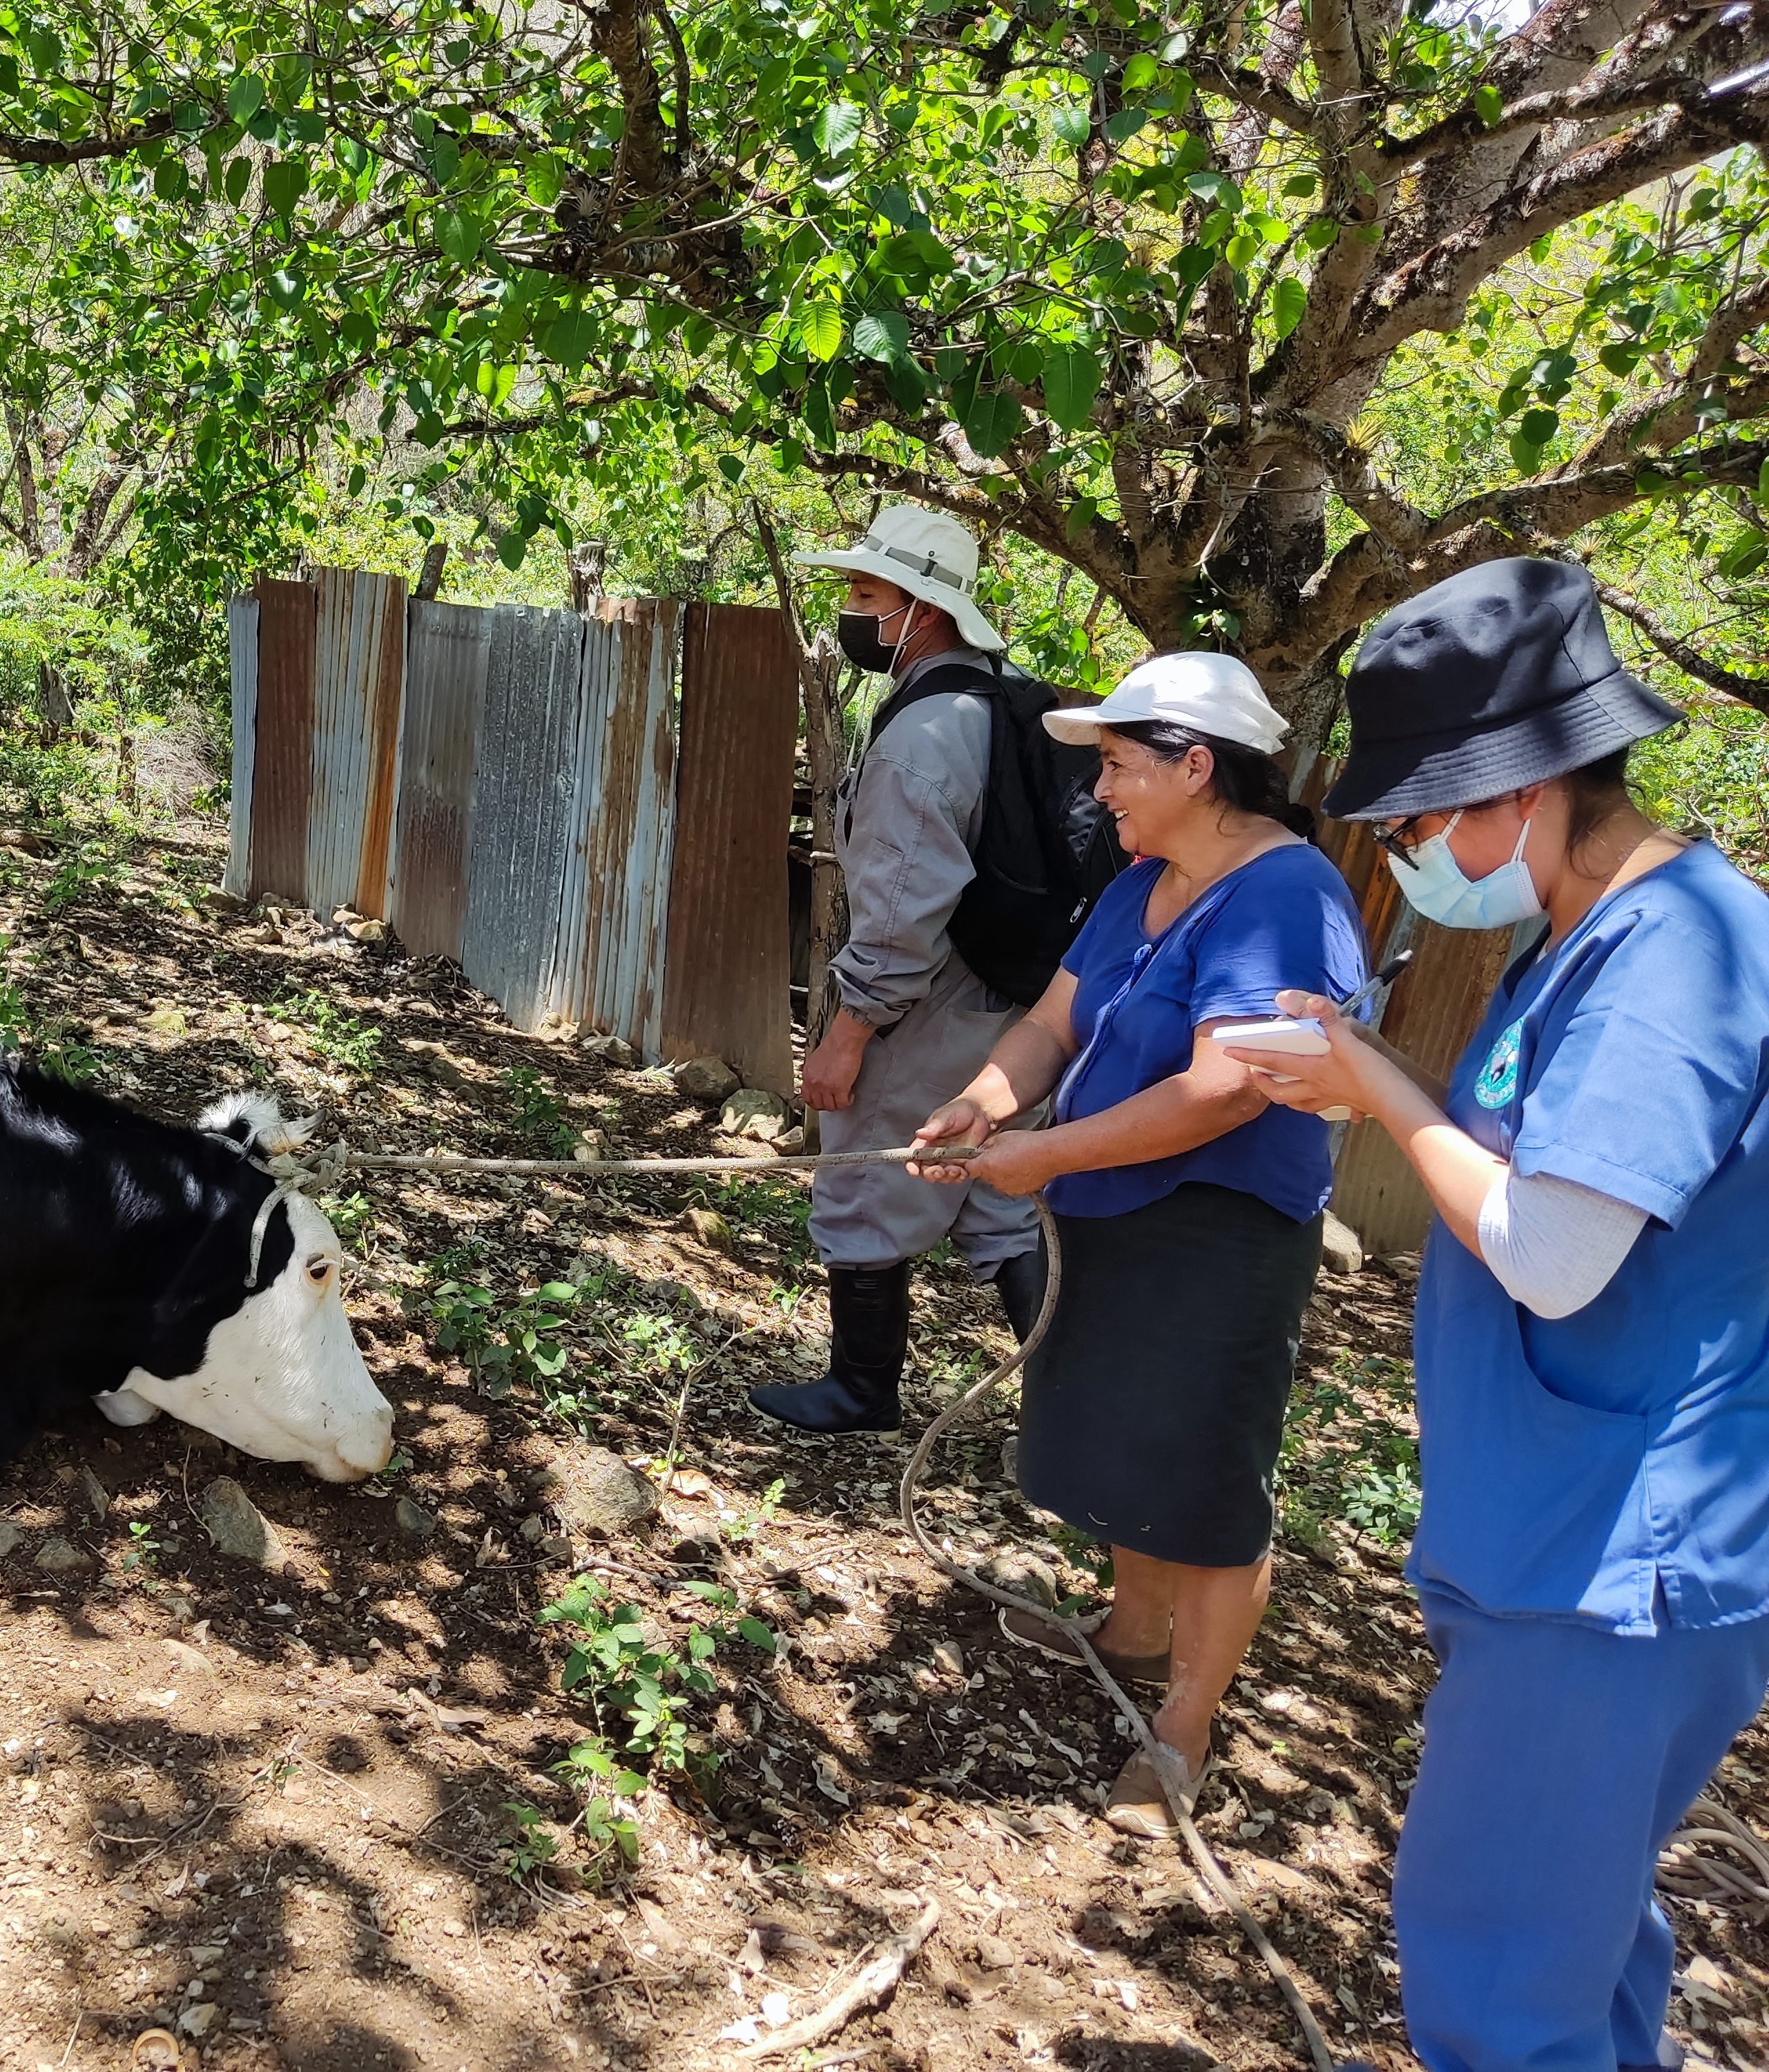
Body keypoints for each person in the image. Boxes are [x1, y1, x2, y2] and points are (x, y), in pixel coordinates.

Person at [1227, 557, 1769, 2072]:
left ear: (1516, 793)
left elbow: (1549, 1252)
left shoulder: (1675, 961)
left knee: (1495, 1990)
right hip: (1557, 1532)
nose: (1405, 852)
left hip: (1608, 1568)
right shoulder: (1584, 936)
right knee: (1572, 1946)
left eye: (1412, 819)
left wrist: (1370, 1085)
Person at [909, 651, 1367, 1834]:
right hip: (1112, 1207)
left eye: (1117, 766)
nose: (1100, 792)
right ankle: (1131, 1629)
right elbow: (1057, 1019)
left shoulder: (1284, 897)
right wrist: (987, 1104)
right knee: (1118, 1434)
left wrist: (1043, 1157)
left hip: (1219, 1232)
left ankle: (1184, 1730)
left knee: (1209, 1481)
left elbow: (1226, 1091)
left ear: (1196, 764)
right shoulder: (1143, 877)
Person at [747, 507, 1049, 1436]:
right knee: (998, 1199)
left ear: (923, 609)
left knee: (864, 1183)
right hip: (1021, 1006)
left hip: (932, 1006)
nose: (849, 610)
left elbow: (904, 909)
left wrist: (847, 1034)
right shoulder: (1013, 697)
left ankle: (861, 1387)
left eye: (865, 593)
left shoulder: (926, 735)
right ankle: (1069, 1407)